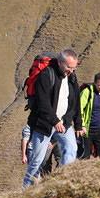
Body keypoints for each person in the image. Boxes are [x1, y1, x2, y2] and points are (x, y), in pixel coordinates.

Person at [23, 49, 82, 188]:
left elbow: (75, 102)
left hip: (64, 124)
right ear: (60, 63)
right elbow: (43, 103)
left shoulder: (72, 77)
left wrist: (77, 124)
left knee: (71, 148)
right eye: (68, 67)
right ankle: (26, 190)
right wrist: (55, 121)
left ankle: (61, 182)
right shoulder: (46, 75)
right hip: (43, 125)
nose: (71, 71)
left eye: (74, 68)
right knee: (37, 161)